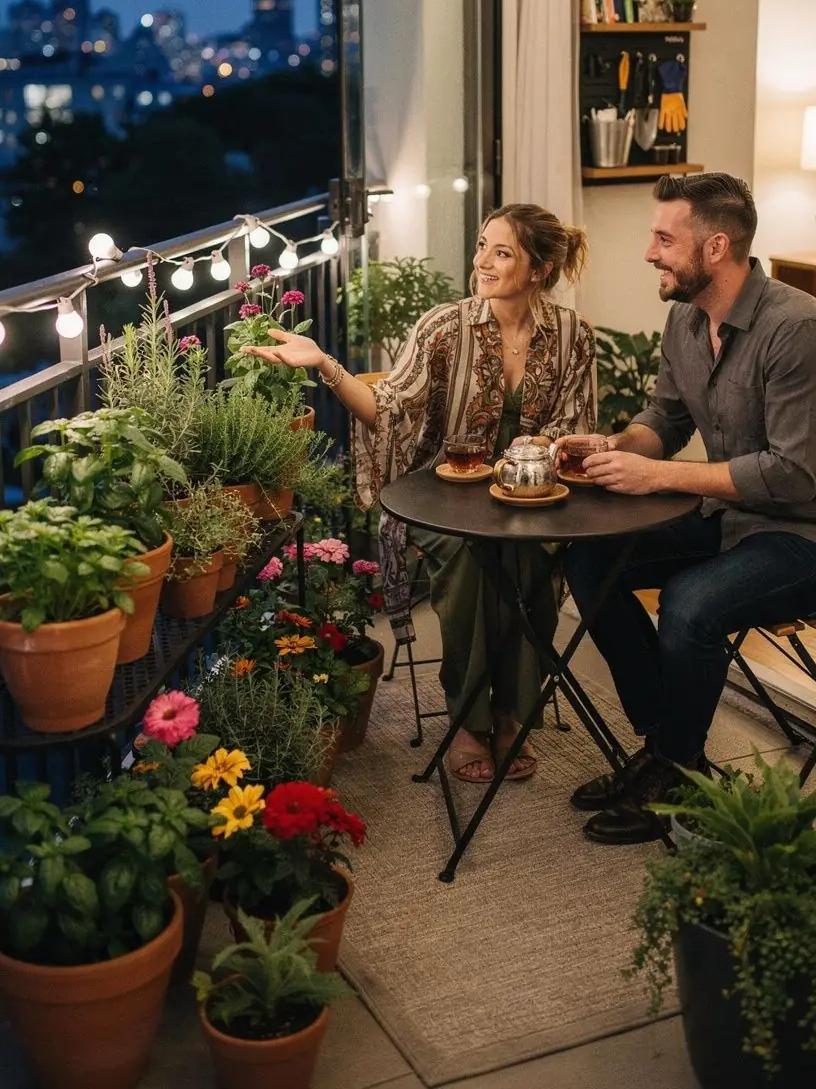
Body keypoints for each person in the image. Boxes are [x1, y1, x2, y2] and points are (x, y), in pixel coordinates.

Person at [242, 204, 596, 784]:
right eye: (482, 245)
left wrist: (537, 462)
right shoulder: (442, 328)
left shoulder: (573, 337)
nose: (481, 261)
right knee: (467, 557)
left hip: (530, 497)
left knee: (532, 556)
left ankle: (513, 713)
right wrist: (324, 364)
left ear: (539, 269)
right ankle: (467, 718)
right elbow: (384, 409)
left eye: (502, 252)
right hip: (440, 494)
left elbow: (576, 427)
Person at [560, 171, 816, 845]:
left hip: (799, 534)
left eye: (664, 238)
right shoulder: (683, 318)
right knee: (590, 560)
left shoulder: (797, 328)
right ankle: (670, 752)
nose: (650, 252)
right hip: (725, 518)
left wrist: (661, 477)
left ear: (716, 247)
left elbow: (794, 475)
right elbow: (664, 421)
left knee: (691, 603)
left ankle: (673, 775)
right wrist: (612, 447)